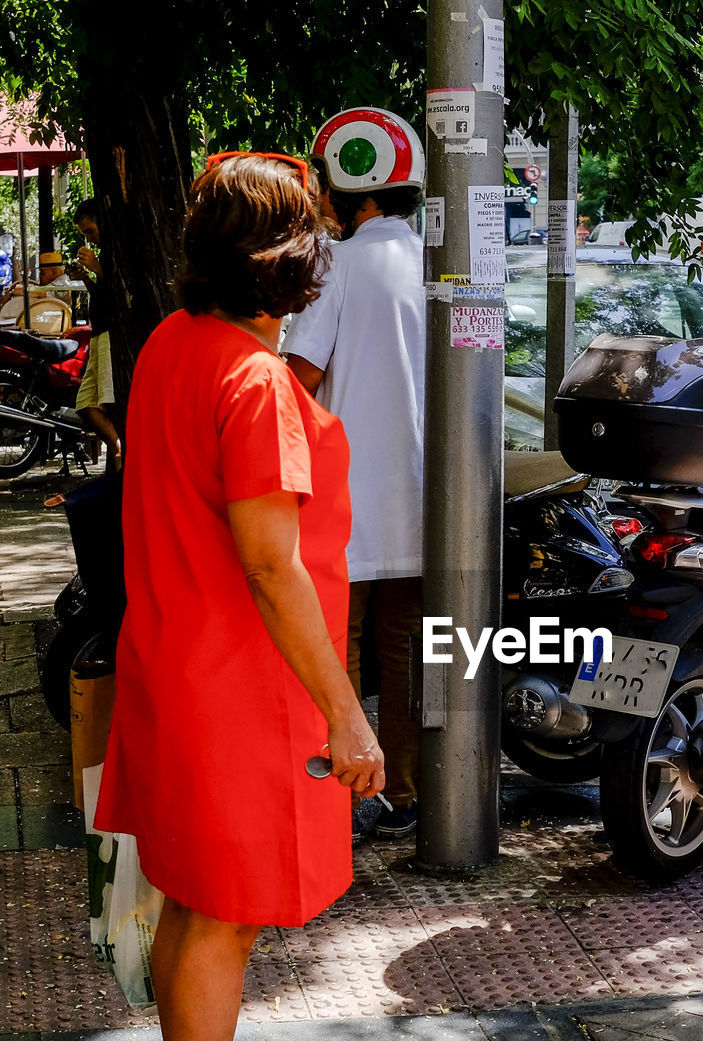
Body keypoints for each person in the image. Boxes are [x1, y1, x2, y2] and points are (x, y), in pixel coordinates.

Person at [96, 152, 385, 1041]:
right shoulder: (256, 379)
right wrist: (347, 711)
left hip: (179, 667)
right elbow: (273, 565)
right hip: (241, 688)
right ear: (290, 255)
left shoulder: (176, 344)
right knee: (222, 916)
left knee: (195, 904)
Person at [283, 107, 426, 840]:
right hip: (431, 500)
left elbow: (297, 376)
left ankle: (334, 793)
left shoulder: (336, 265)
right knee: (407, 651)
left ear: (356, 190)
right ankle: (402, 792)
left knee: (332, 646)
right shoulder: (439, 260)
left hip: (348, 501)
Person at [69, 199, 122, 471]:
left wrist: (98, 268)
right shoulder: (105, 255)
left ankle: (119, 454)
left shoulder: (118, 253)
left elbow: (121, 293)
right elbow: (102, 293)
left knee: (108, 399)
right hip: (98, 333)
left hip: (112, 334)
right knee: (86, 402)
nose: (89, 239)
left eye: (90, 231)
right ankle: (117, 449)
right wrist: (87, 278)